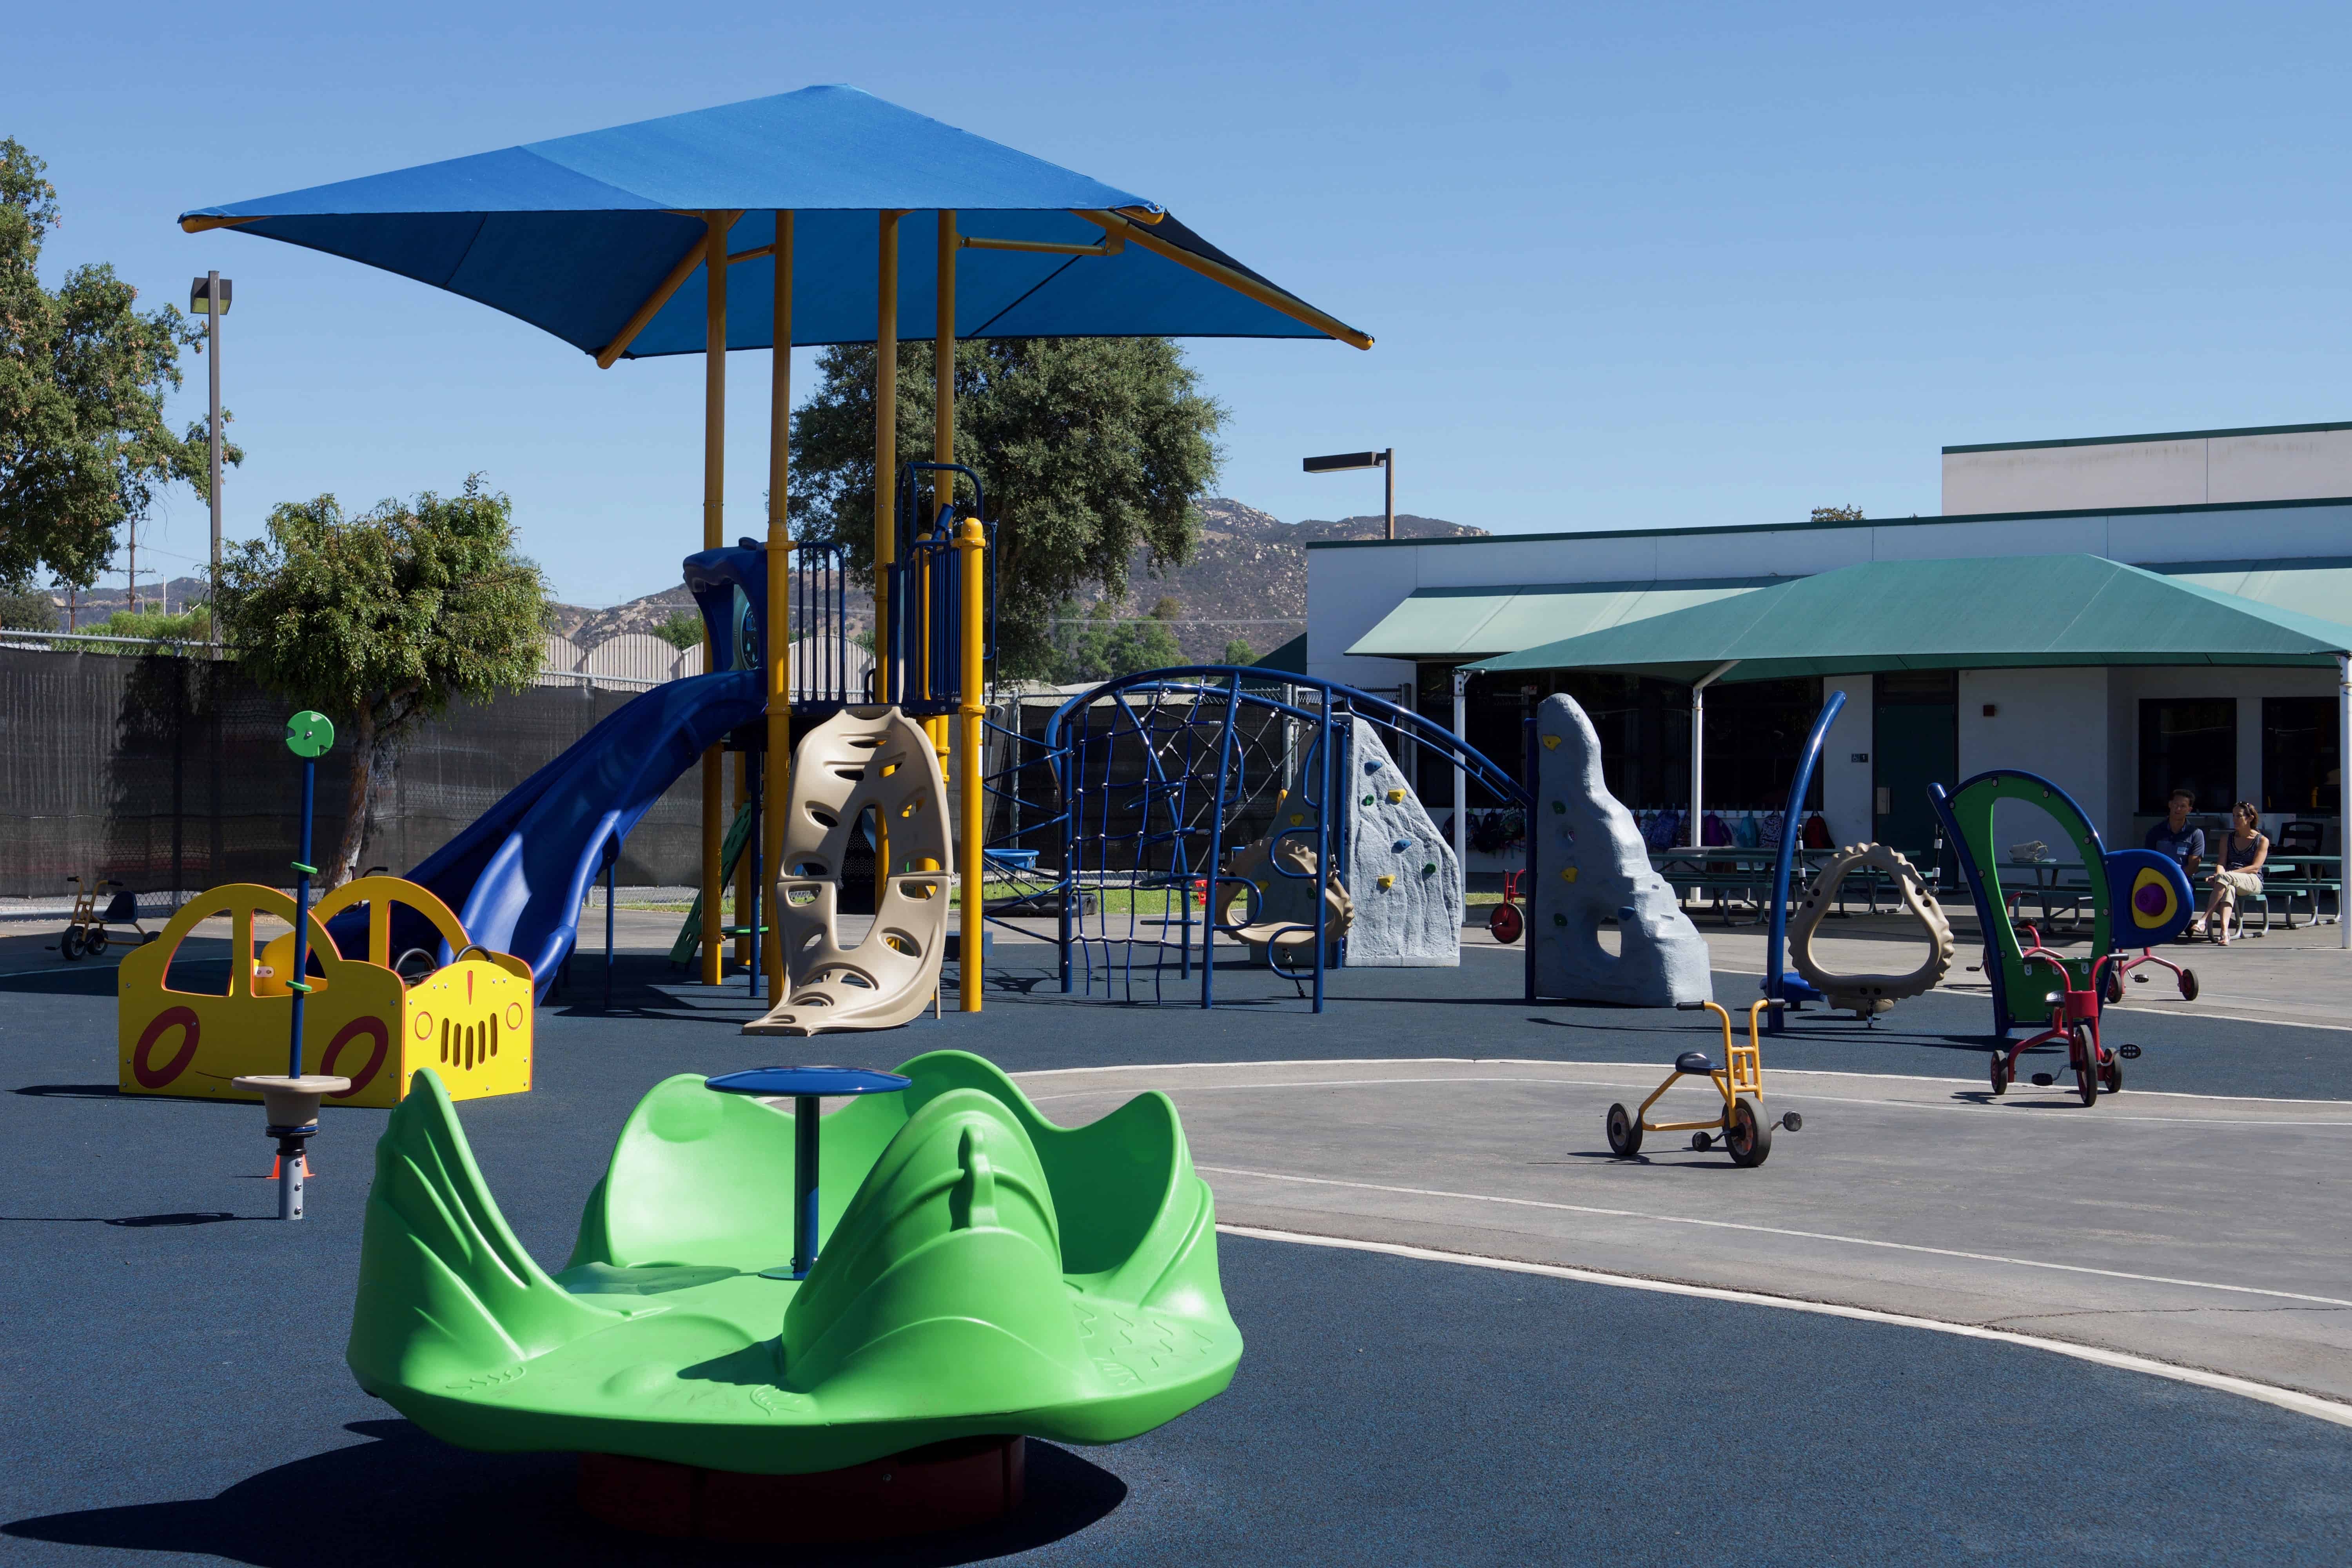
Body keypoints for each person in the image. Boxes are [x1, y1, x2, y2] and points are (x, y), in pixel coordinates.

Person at [2192, 801, 2268, 944]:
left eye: (2239, 816)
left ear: (2250, 818)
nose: (2235, 820)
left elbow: (2255, 868)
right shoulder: (2227, 839)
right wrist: (2220, 875)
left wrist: (2225, 875)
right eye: (2233, 816)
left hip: (2252, 880)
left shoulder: (2262, 840)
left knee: (2226, 879)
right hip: (2228, 880)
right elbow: (2221, 863)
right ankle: (2225, 933)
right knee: (2230, 890)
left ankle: (2204, 919)